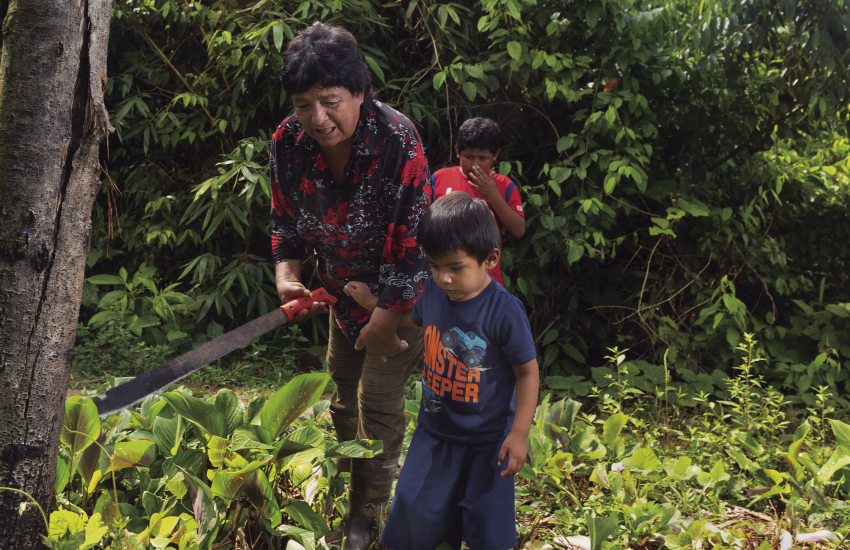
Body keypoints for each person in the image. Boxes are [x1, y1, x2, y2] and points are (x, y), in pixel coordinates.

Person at [269, 22, 432, 550]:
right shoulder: (287, 142)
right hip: (342, 299)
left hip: (400, 301)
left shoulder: (398, 139)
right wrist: (288, 278)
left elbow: (415, 243)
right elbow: (285, 221)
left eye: (330, 102)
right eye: (304, 105)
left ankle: (366, 515)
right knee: (343, 396)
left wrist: (386, 320)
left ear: (360, 92)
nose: (318, 118)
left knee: (377, 401)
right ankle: (349, 490)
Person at [344, 192, 540, 550]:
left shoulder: (505, 311)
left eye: (455, 267)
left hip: (487, 443)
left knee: (487, 530)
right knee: (412, 517)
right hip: (433, 435)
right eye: (434, 266)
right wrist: (374, 305)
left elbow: (527, 373)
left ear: (490, 259)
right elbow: (413, 318)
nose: (443, 278)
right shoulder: (434, 294)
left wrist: (518, 434)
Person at [431, 117, 526, 287]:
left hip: (486, 280)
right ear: (457, 151)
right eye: (468, 157)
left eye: (483, 158)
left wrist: (493, 195)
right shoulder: (439, 178)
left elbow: (519, 230)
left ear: (495, 155)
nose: (475, 165)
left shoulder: (503, 185)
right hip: (443, 278)